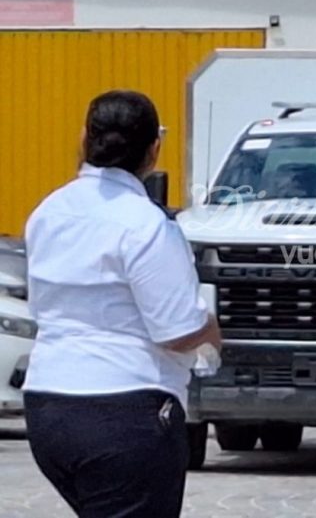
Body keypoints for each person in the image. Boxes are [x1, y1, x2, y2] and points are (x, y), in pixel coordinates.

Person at [23, 90, 222, 517]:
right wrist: (211, 330)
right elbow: (177, 331)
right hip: (125, 410)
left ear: (84, 139)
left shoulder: (47, 212)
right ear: (154, 150)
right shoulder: (146, 224)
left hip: (48, 406)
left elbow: (42, 305)